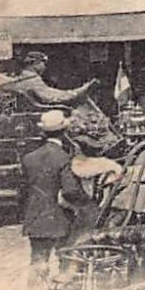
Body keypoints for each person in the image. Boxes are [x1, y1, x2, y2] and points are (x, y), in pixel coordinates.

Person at [20, 111, 90, 279]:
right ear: (64, 132)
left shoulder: (29, 158)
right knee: (65, 260)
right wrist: (86, 203)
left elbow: (22, 192)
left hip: (35, 219)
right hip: (60, 220)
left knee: (37, 262)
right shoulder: (64, 158)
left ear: (43, 132)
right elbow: (70, 191)